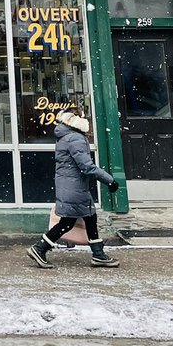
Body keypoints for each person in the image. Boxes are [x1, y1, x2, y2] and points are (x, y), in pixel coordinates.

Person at [27, 109, 120, 269]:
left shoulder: (67, 136)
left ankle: (98, 255)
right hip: (74, 186)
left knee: (90, 218)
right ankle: (39, 248)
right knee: (68, 222)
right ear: (76, 121)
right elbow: (87, 167)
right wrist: (110, 181)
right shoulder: (75, 138)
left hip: (72, 185)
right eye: (83, 117)